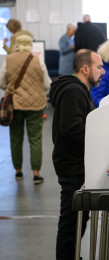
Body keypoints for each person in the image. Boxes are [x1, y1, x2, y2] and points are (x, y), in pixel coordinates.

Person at [49, 49, 105, 260]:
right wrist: (99, 141)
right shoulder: (73, 91)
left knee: (78, 220)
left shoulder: (79, 89)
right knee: (71, 222)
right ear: (85, 68)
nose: (103, 72)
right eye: (99, 67)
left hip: (77, 163)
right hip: (72, 165)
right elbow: (73, 129)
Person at [0, 35, 51, 183]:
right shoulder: (37, 60)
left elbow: (1, 81)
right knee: (35, 139)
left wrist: (10, 89)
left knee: (15, 138)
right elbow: (47, 84)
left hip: (14, 105)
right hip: (36, 105)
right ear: (30, 45)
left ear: (16, 44)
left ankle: (18, 172)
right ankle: (36, 173)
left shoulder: (8, 59)